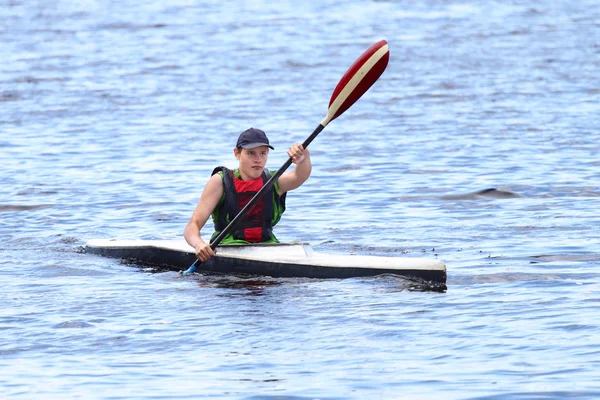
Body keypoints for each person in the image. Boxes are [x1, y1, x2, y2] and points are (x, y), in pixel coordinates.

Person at [184, 127, 311, 262]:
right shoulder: (219, 181)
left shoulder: (273, 181)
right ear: (237, 154)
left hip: (268, 247)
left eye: (263, 153)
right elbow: (192, 225)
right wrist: (199, 244)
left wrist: (304, 157)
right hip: (227, 248)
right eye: (251, 153)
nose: (258, 160)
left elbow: (299, 176)